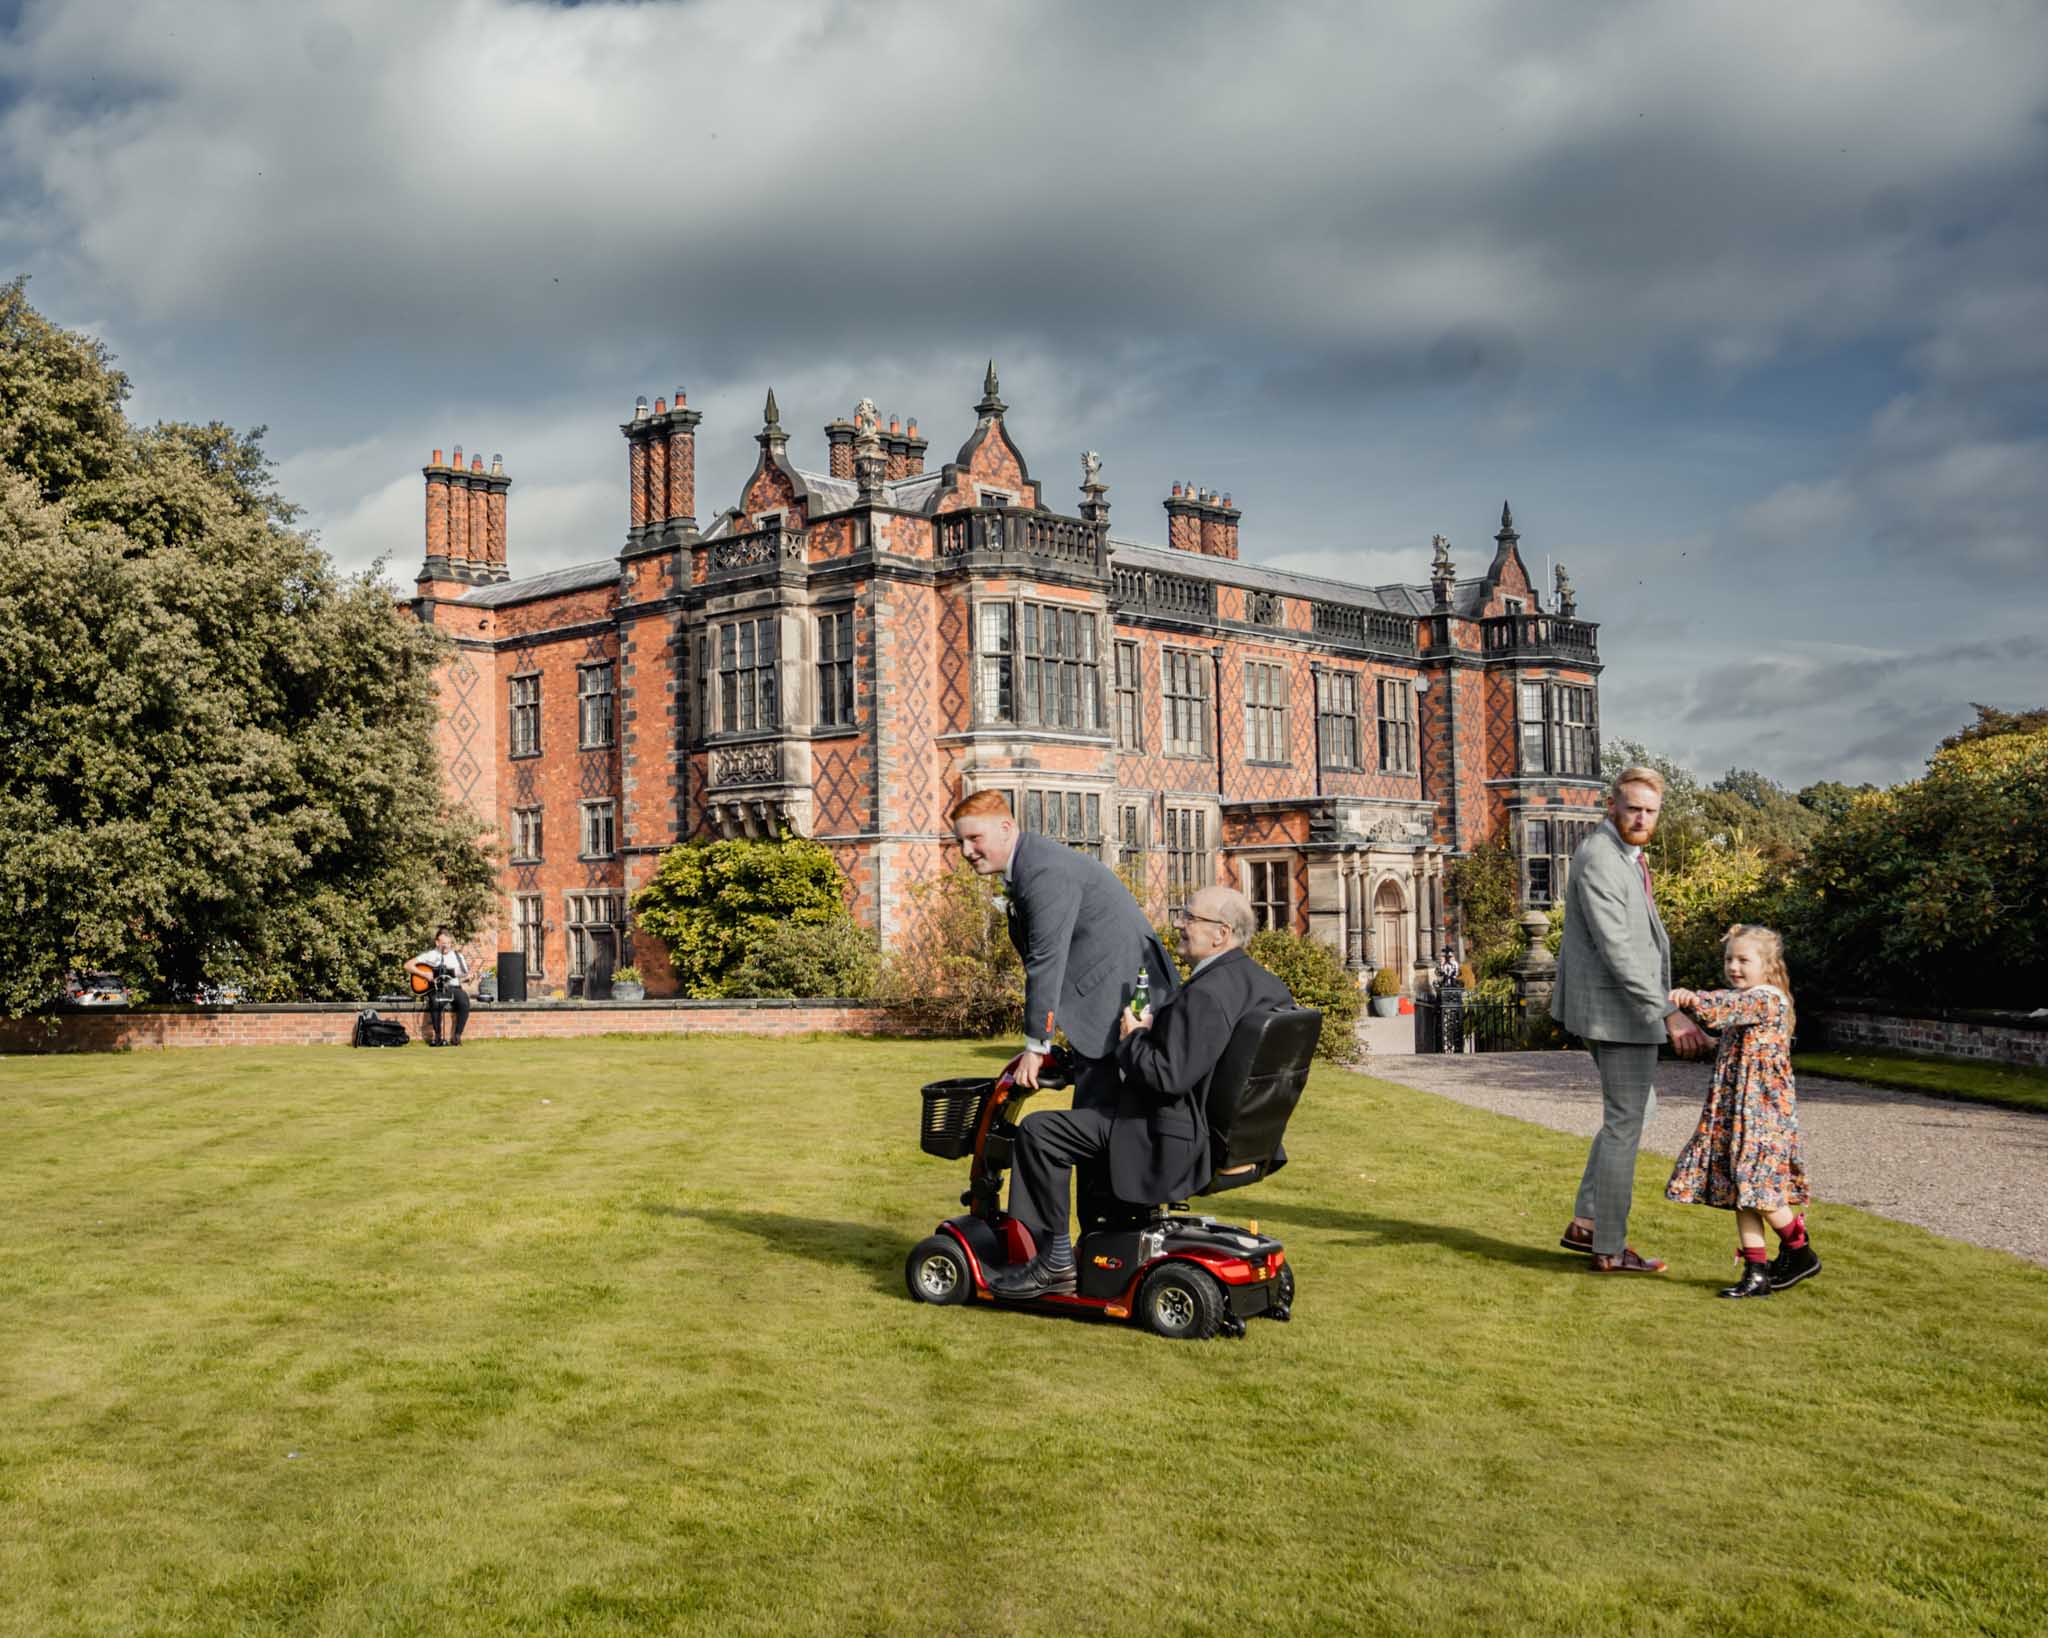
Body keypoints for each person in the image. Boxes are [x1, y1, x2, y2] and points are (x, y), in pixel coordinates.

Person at [990, 885, 1291, 1298]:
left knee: (1041, 1133)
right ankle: (1101, 1243)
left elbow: (1167, 1076)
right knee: (1093, 1112)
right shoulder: (1263, 984)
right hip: (1224, 1136)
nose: (1179, 925)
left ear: (1221, 934)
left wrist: (1134, 1037)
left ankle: (1054, 1261)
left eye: (1190, 918)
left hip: (1169, 1141)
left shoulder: (1206, 994)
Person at [1550, 767, 1713, 1273]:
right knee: (1626, 1123)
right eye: (1632, 808)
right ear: (1612, 807)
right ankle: (1609, 1247)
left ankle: (1587, 1221)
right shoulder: (1601, 857)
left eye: (1650, 811)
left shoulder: (1624, 854)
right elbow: (1617, 948)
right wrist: (1669, 1012)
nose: (1641, 818)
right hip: (1616, 1012)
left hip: (1617, 1007)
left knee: (1634, 1113)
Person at [949, 790, 1178, 1112]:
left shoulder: (1042, 871)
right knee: (1095, 1127)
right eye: (959, 842)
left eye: (974, 838)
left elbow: (1046, 957)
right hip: (1102, 1001)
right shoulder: (1031, 863)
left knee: (1102, 1125)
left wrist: (1036, 1045)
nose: (966, 851)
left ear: (1005, 827)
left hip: (1120, 1003)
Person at [1664, 926, 1818, 1299]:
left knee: (1760, 1189)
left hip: (1762, 1114)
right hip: (1739, 1113)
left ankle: (1799, 1250)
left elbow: (1721, 1008)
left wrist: (1689, 999)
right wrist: (1709, 1042)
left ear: (1767, 965)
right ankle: (1756, 1271)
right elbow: (1735, 1042)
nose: (1734, 966)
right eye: (1729, 959)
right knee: (1742, 1189)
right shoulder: (1747, 1001)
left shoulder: (1765, 998)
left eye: (1743, 960)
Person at [406, 928, 472, 1047]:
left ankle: (457, 1036)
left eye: (449, 943)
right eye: (444, 943)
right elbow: (408, 965)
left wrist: (469, 977)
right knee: (435, 1002)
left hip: (454, 987)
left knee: (464, 1001)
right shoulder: (431, 955)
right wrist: (425, 974)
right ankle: (437, 1036)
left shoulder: (458, 956)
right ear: (437, 943)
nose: (447, 946)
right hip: (436, 988)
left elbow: (464, 975)